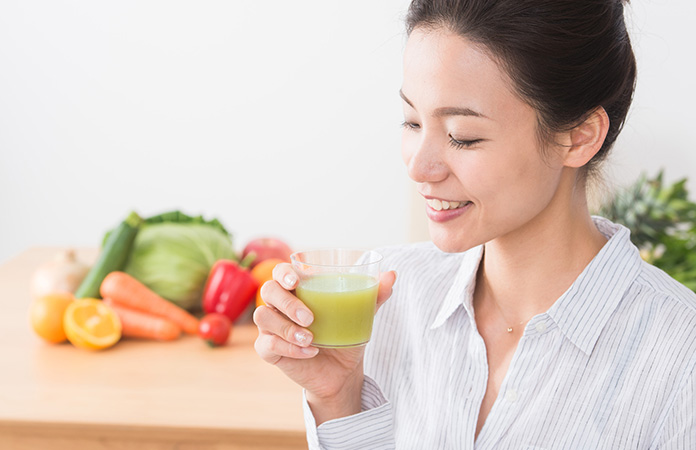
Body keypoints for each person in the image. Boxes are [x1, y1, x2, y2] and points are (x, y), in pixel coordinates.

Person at [253, 0, 696, 448]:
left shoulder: (681, 360)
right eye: (411, 121)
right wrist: (337, 399)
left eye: (462, 137)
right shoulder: (384, 305)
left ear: (577, 136)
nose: (419, 168)